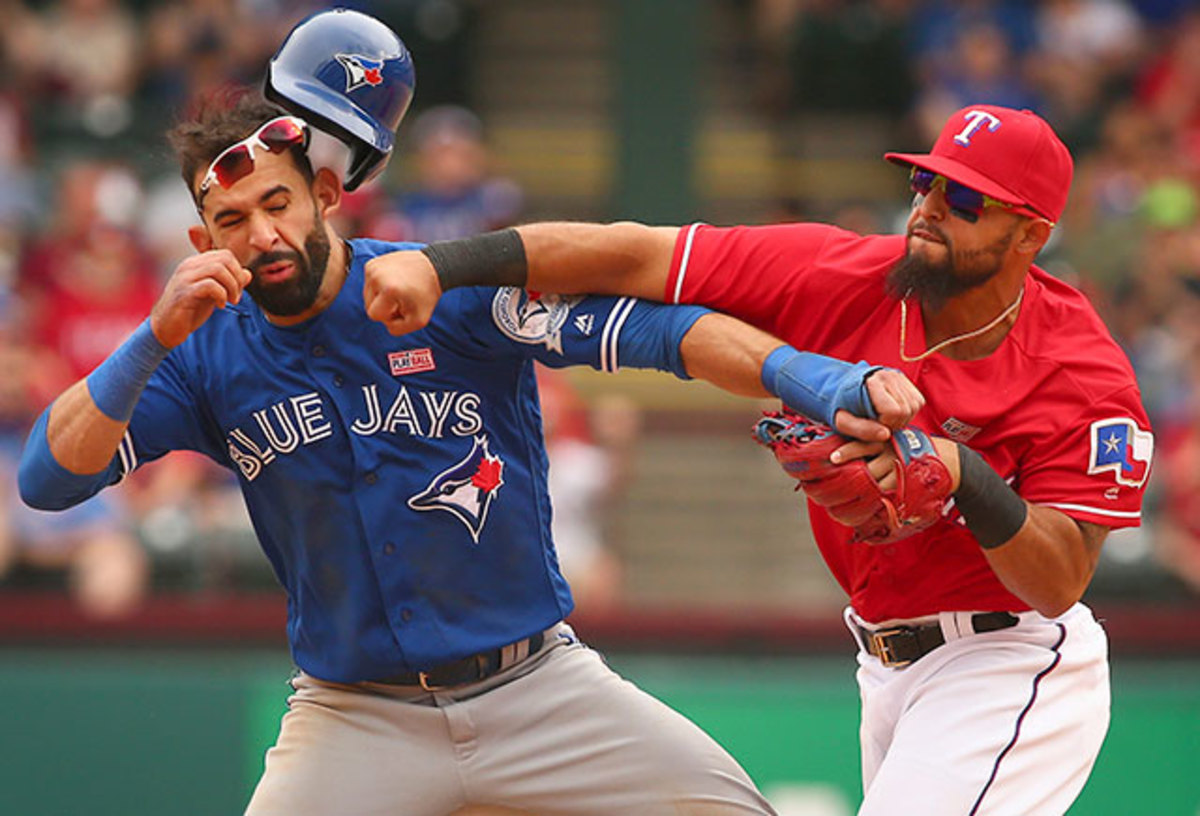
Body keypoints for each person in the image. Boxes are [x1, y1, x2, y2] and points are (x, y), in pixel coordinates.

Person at [17, 10, 925, 815]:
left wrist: (824, 383)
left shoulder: (436, 288)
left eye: (278, 203)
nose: (260, 235)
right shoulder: (200, 355)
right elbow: (49, 480)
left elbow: (665, 336)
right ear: (199, 241)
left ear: (326, 197)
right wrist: (151, 336)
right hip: (353, 713)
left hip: (538, 688)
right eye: (229, 220)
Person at [366, 104, 1155, 816]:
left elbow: (1058, 583)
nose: (931, 209)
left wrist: (963, 474)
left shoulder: (1080, 373)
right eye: (926, 183)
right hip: (885, 664)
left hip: (1010, 658)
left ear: (1031, 234)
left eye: (966, 200)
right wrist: (443, 265)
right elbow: (635, 256)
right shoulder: (842, 274)